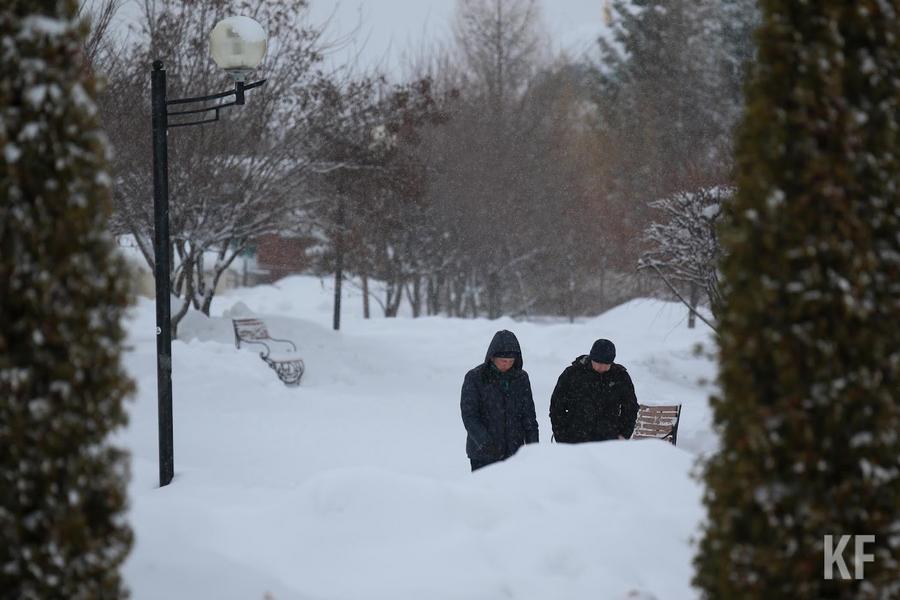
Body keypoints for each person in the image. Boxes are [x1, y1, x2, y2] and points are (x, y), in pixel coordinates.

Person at [460, 330, 539, 471]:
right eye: (503, 361)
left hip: (515, 454)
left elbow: (529, 416)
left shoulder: (521, 378)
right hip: (482, 456)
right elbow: (470, 416)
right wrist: (484, 442)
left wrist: (534, 448)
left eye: (511, 361)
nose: (507, 364)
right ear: (492, 357)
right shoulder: (475, 378)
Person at [549, 338, 638, 443]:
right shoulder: (573, 374)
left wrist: (623, 435)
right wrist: (562, 437)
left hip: (609, 441)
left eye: (606, 364)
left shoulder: (620, 376)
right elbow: (556, 407)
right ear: (591, 358)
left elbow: (630, 408)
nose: (601, 367)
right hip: (575, 441)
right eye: (598, 363)